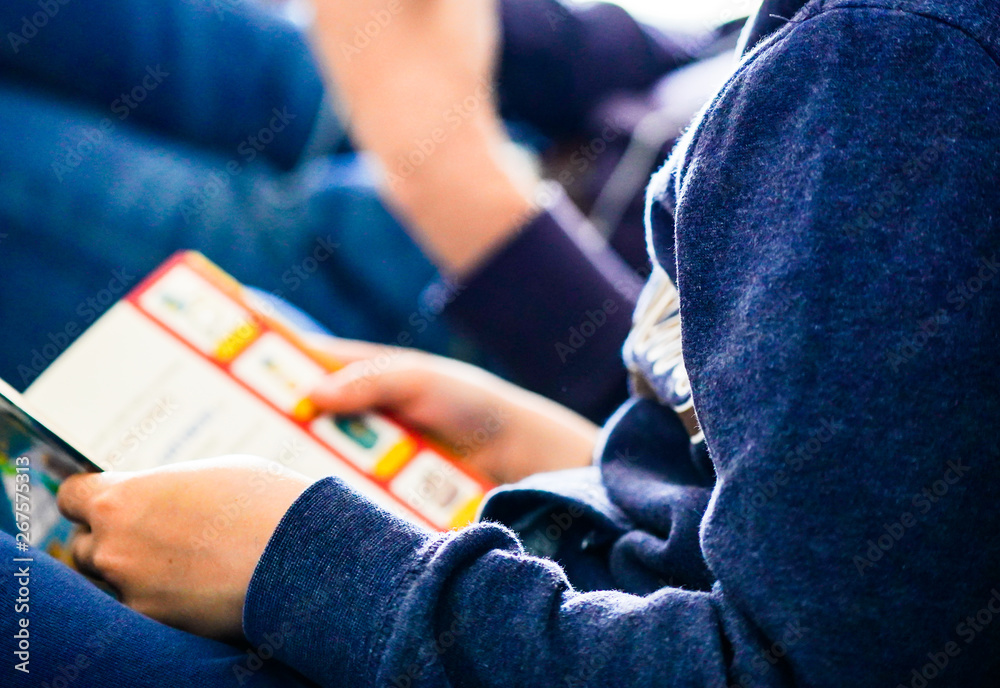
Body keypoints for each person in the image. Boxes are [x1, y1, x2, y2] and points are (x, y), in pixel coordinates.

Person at [6, 0, 999, 686]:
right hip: (562, 489)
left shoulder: (916, 68)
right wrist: (576, 447)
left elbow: (790, 663)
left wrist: (295, 564)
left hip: (492, 564)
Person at [0, 0, 735, 424]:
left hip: (504, 309)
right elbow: (690, 66)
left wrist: (462, 187)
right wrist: (459, 31)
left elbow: (696, 457)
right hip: (511, 138)